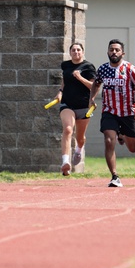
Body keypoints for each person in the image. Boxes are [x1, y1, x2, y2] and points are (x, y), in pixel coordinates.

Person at [89, 39, 135, 188]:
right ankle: (115, 176)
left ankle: (122, 135)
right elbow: (96, 84)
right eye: (111, 50)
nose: (114, 52)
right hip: (109, 111)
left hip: (128, 112)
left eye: (117, 50)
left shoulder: (130, 69)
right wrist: (92, 99)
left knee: (133, 148)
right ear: (107, 52)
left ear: (122, 53)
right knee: (109, 140)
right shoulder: (103, 69)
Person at [53, 42, 97, 176]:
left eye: (78, 50)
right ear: (70, 52)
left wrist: (80, 77)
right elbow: (65, 80)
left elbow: (93, 86)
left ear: (82, 52)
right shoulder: (65, 65)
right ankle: (65, 162)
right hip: (67, 104)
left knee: (80, 137)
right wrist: (60, 91)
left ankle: (79, 149)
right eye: (73, 50)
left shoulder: (88, 66)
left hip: (84, 105)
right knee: (67, 129)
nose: (76, 52)